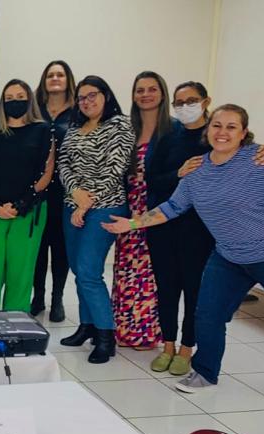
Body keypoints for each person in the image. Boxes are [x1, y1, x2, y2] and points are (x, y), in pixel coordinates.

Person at [102, 103, 264, 426]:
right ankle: (205, 372)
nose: (222, 132)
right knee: (207, 315)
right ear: (208, 130)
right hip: (231, 257)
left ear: (243, 133)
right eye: (217, 126)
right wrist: (132, 223)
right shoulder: (198, 171)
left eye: (231, 127)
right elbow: (172, 207)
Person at [144, 81, 264, 375]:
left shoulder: (218, 137)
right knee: (167, 289)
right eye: (179, 103)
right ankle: (168, 345)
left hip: (202, 230)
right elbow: (152, 179)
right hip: (164, 226)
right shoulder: (166, 136)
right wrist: (178, 173)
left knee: (195, 291)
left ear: (206, 101)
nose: (185, 107)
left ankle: (187, 349)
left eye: (191, 101)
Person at [55, 75, 133, 364]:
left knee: (89, 271)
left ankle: (105, 336)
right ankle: (86, 325)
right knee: (79, 270)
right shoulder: (75, 127)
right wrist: (76, 192)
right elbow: (63, 163)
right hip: (73, 205)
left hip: (106, 207)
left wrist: (87, 202)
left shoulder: (120, 125)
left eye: (92, 95)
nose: (86, 101)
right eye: (81, 97)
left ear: (105, 95)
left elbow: (115, 168)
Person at [0, 79, 52, 312]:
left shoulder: (43, 131)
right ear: (2, 102)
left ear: (29, 101)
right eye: (9, 98)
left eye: (20, 98)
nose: (14, 102)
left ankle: (16, 319)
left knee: (20, 269)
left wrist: (21, 203)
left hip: (29, 211)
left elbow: (46, 172)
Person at [111, 72, 167, 350]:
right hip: (128, 210)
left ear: (162, 93)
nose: (145, 95)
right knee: (126, 269)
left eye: (151, 89)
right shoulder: (127, 129)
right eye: (140, 90)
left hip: (157, 212)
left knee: (148, 273)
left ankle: (146, 334)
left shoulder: (173, 131)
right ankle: (124, 330)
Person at [31, 60, 76, 322]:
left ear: (68, 79)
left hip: (66, 191)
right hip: (36, 189)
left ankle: (57, 298)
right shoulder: (34, 109)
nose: (55, 78)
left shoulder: (78, 111)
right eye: (50, 75)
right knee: (37, 248)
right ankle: (37, 296)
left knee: (61, 249)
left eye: (60, 74)